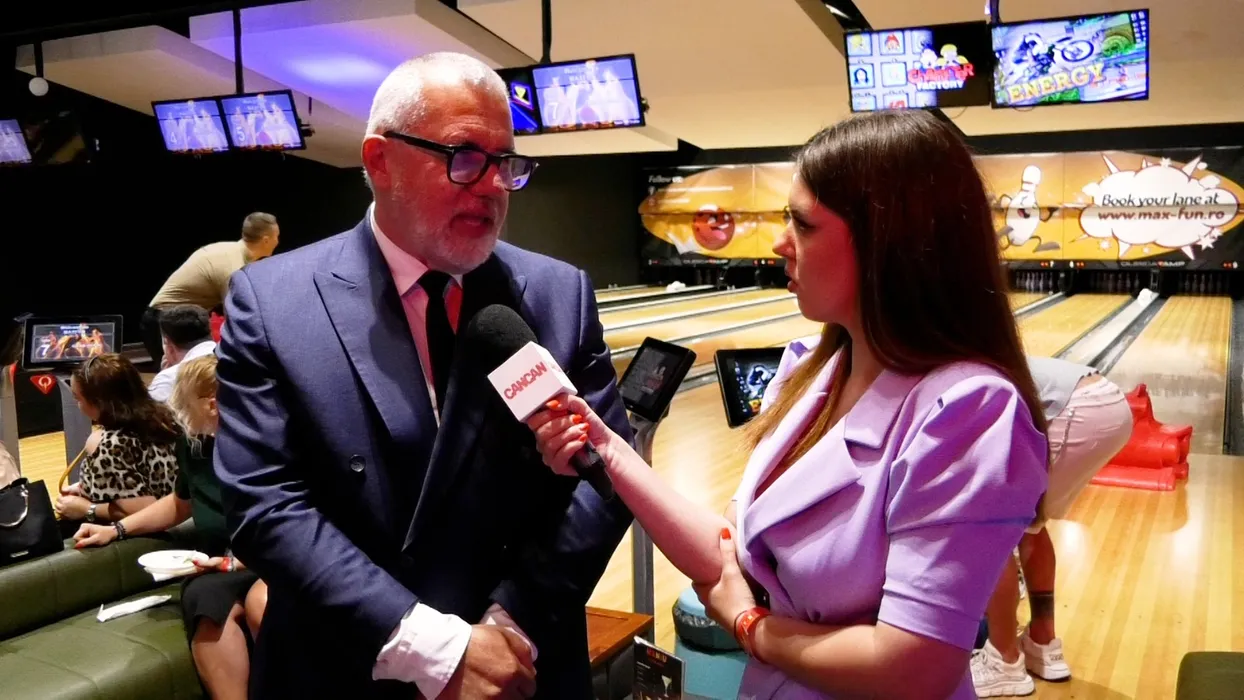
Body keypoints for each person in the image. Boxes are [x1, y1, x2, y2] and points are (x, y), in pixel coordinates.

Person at [525, 111, 1050, 700]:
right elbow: (735, 552)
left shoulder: (967, 414)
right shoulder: (809, 371)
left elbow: (914, 668)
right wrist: (608, 449)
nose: (780, 244)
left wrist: (752, 627)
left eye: (801, 223)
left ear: (886, 242)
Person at [212, 52, 633, 699]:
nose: (492, 186)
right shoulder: (272, 302)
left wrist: (509, 623)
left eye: (505, 163)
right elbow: (263, 502)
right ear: (380, 161)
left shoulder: (558, 294)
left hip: (518, 666)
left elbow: (605, 480)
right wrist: (434, 648)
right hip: (347, 666)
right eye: (465, 157)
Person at [72, 354, 266, 700]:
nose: (176, 412)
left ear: (211, 405)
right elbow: (179, 502)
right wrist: (116, 530)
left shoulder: (265, 445)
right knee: (207, 603)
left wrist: (236, 563)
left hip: (269, 559)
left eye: (183, 403)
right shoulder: (194, 444)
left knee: (263, 604)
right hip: (217, 563)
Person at [973, 356, 1133, 697]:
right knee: (1029, 525)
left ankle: (1004, 660)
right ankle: (1042, 644)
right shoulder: (970, 353)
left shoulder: (931, 370)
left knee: (988, 531)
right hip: (1109, 401)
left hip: (1073, 411)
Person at [54, 354, 180, 528]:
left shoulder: (111, 446)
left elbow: (148, 510)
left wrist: (87, 509)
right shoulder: (166, 417)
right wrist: (89, 487)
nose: (78, 405)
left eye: (78, 399)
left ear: (98, 403)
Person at [141, 212, 280, 367]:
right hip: (166, 322)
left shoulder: (228, 250)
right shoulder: (232, 267)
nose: (278, 241)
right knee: (178, 377)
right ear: (266, 240)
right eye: (277, 237)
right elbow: (237, 317)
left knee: (195, 375)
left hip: (181, 321)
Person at [147, 305, 216, 403]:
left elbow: (155, 412)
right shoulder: (234, 360)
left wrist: (165, 375)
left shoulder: (167, 380)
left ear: (168, 344)